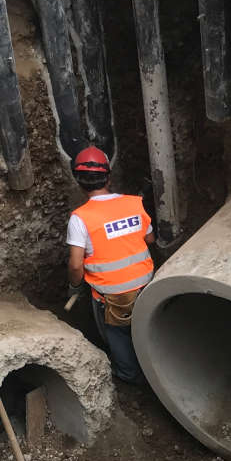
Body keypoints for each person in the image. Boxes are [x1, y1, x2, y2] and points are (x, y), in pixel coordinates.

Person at [64, 147, 155, 384]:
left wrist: (75, 287)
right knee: (148, 327)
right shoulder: (135, 203)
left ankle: (128, 374)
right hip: (147, 284)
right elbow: (150, 239)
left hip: (112, 295)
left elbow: (75, 266)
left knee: (117, 334)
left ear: (78, 182)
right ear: (109, 177)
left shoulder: (80, 218)